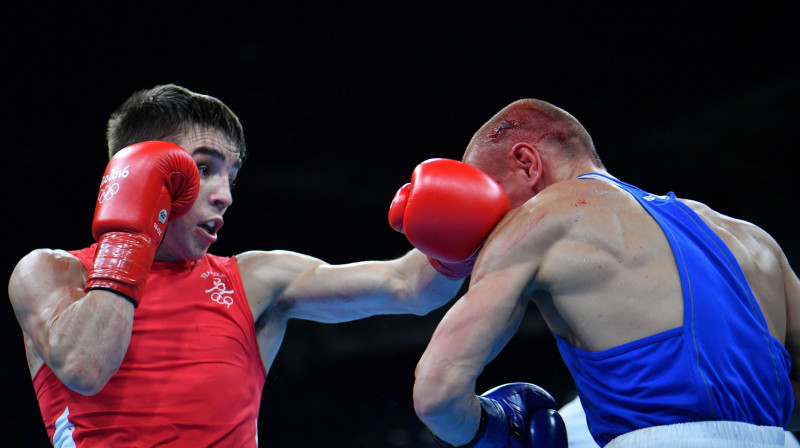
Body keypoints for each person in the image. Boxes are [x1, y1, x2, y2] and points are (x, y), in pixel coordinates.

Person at [7, 84, 510, 447]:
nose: (224, 195)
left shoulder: (256, 280)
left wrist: (462, 226)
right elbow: (85, 366)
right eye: (203, 169)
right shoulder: (53, 273)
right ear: (138, 172)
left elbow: (409, 287)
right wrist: (131, 232)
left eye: (232, 175)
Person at [409, 98, 800, 447]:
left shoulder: (537, 221)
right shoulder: (754, 240)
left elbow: (436, 395)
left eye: (489, 195)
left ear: (527, 163)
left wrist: (489, 431)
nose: (490, 220)